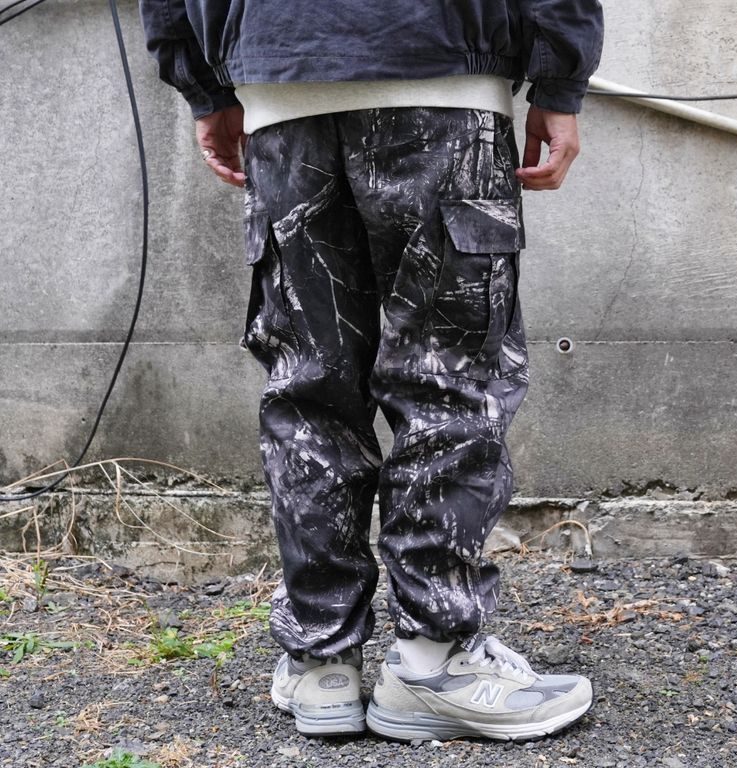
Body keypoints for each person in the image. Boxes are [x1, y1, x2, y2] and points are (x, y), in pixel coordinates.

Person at [140, 0, 604, 742]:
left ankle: (321, 661)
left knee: (310, 390)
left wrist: (203, 83)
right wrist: (560, 77)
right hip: (440, 67)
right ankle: (432, 662)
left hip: (278, 79)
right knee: (445, 380)